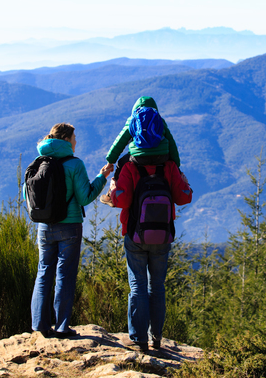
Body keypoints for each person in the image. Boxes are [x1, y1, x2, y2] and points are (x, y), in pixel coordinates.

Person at [29, 123, 113, 338]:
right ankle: (62, 327)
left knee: (43, 272)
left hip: (44, 227)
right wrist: (102, 177)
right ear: (66, 139)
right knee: (64, 275)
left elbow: (28, 197)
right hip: (70, 227)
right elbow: (85, 197)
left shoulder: (38, 163)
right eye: (74, 137)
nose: (76, 141)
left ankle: (40, 325)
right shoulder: (75, 164)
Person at [111, 157, 192, 351]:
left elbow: (122, 200)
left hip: (135, 235)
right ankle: (156, 337)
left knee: (137, 285)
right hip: (163, 236)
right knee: (157, 287)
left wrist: (114, 187)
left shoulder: (130, 166)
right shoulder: (169, 165)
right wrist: (185, 182)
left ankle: (139, 339)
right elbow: (184, 197)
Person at [100, 96, 181, 206]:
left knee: (121, 163)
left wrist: (110, 161)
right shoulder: (159, 120)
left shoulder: (133, 119)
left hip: (139, 158)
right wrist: (177, 166)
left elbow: (119, 142)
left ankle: (112, 193)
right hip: (161, 157)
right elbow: (171, 143)